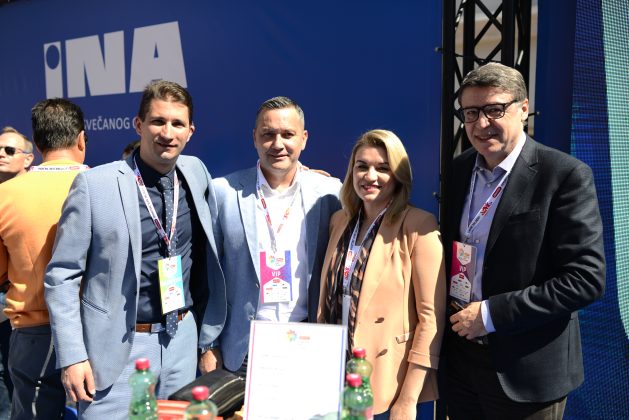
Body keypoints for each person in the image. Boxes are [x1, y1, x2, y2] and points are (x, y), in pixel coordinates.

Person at [44, 80, 226, 419]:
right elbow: (61, 277)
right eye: (158, 121)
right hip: (118, 347)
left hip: (181, 340)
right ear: (139, 125)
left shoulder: (196, 172)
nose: (167, 133)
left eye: (177, 124)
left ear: (190, 132)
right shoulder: (94, 185)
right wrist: (72, 356)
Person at [442, 62, 605, 419]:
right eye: (471, 113)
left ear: (523, 108)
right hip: (462, 363)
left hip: (526, 372)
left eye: (494, 110)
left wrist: (491, 314)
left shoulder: (563, 175)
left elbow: (585, 280)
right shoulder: (459, 169)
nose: (481, 124)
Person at [200, 96, 341, 376]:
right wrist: (208, 344)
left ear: (304, 139)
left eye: (288, 134)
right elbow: (207, 277)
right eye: (268, 134)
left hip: (308, 343)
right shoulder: (222, 192)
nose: (278, 144)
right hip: (243, 350)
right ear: (255, 137)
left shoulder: (329, 193)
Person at [318, 129, 446, 419]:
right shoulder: (339, 220)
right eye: (362, 166)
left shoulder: (418, 225)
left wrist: (408, 399)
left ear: (399, 175)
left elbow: (431, 319)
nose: (370, 176)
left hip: (386, 376)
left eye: (383, 168)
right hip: (334, 370)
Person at [0, 99, 88, 419]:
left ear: (36, 146)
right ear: (81, 139)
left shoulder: (6, 195)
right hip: (97, 329)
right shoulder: (109, 186)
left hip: (34, 334)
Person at [0, 126, 34, 419]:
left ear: (28, 159)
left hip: (27, 310)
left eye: (9, 150)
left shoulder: (36, 195)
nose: (1, 154)